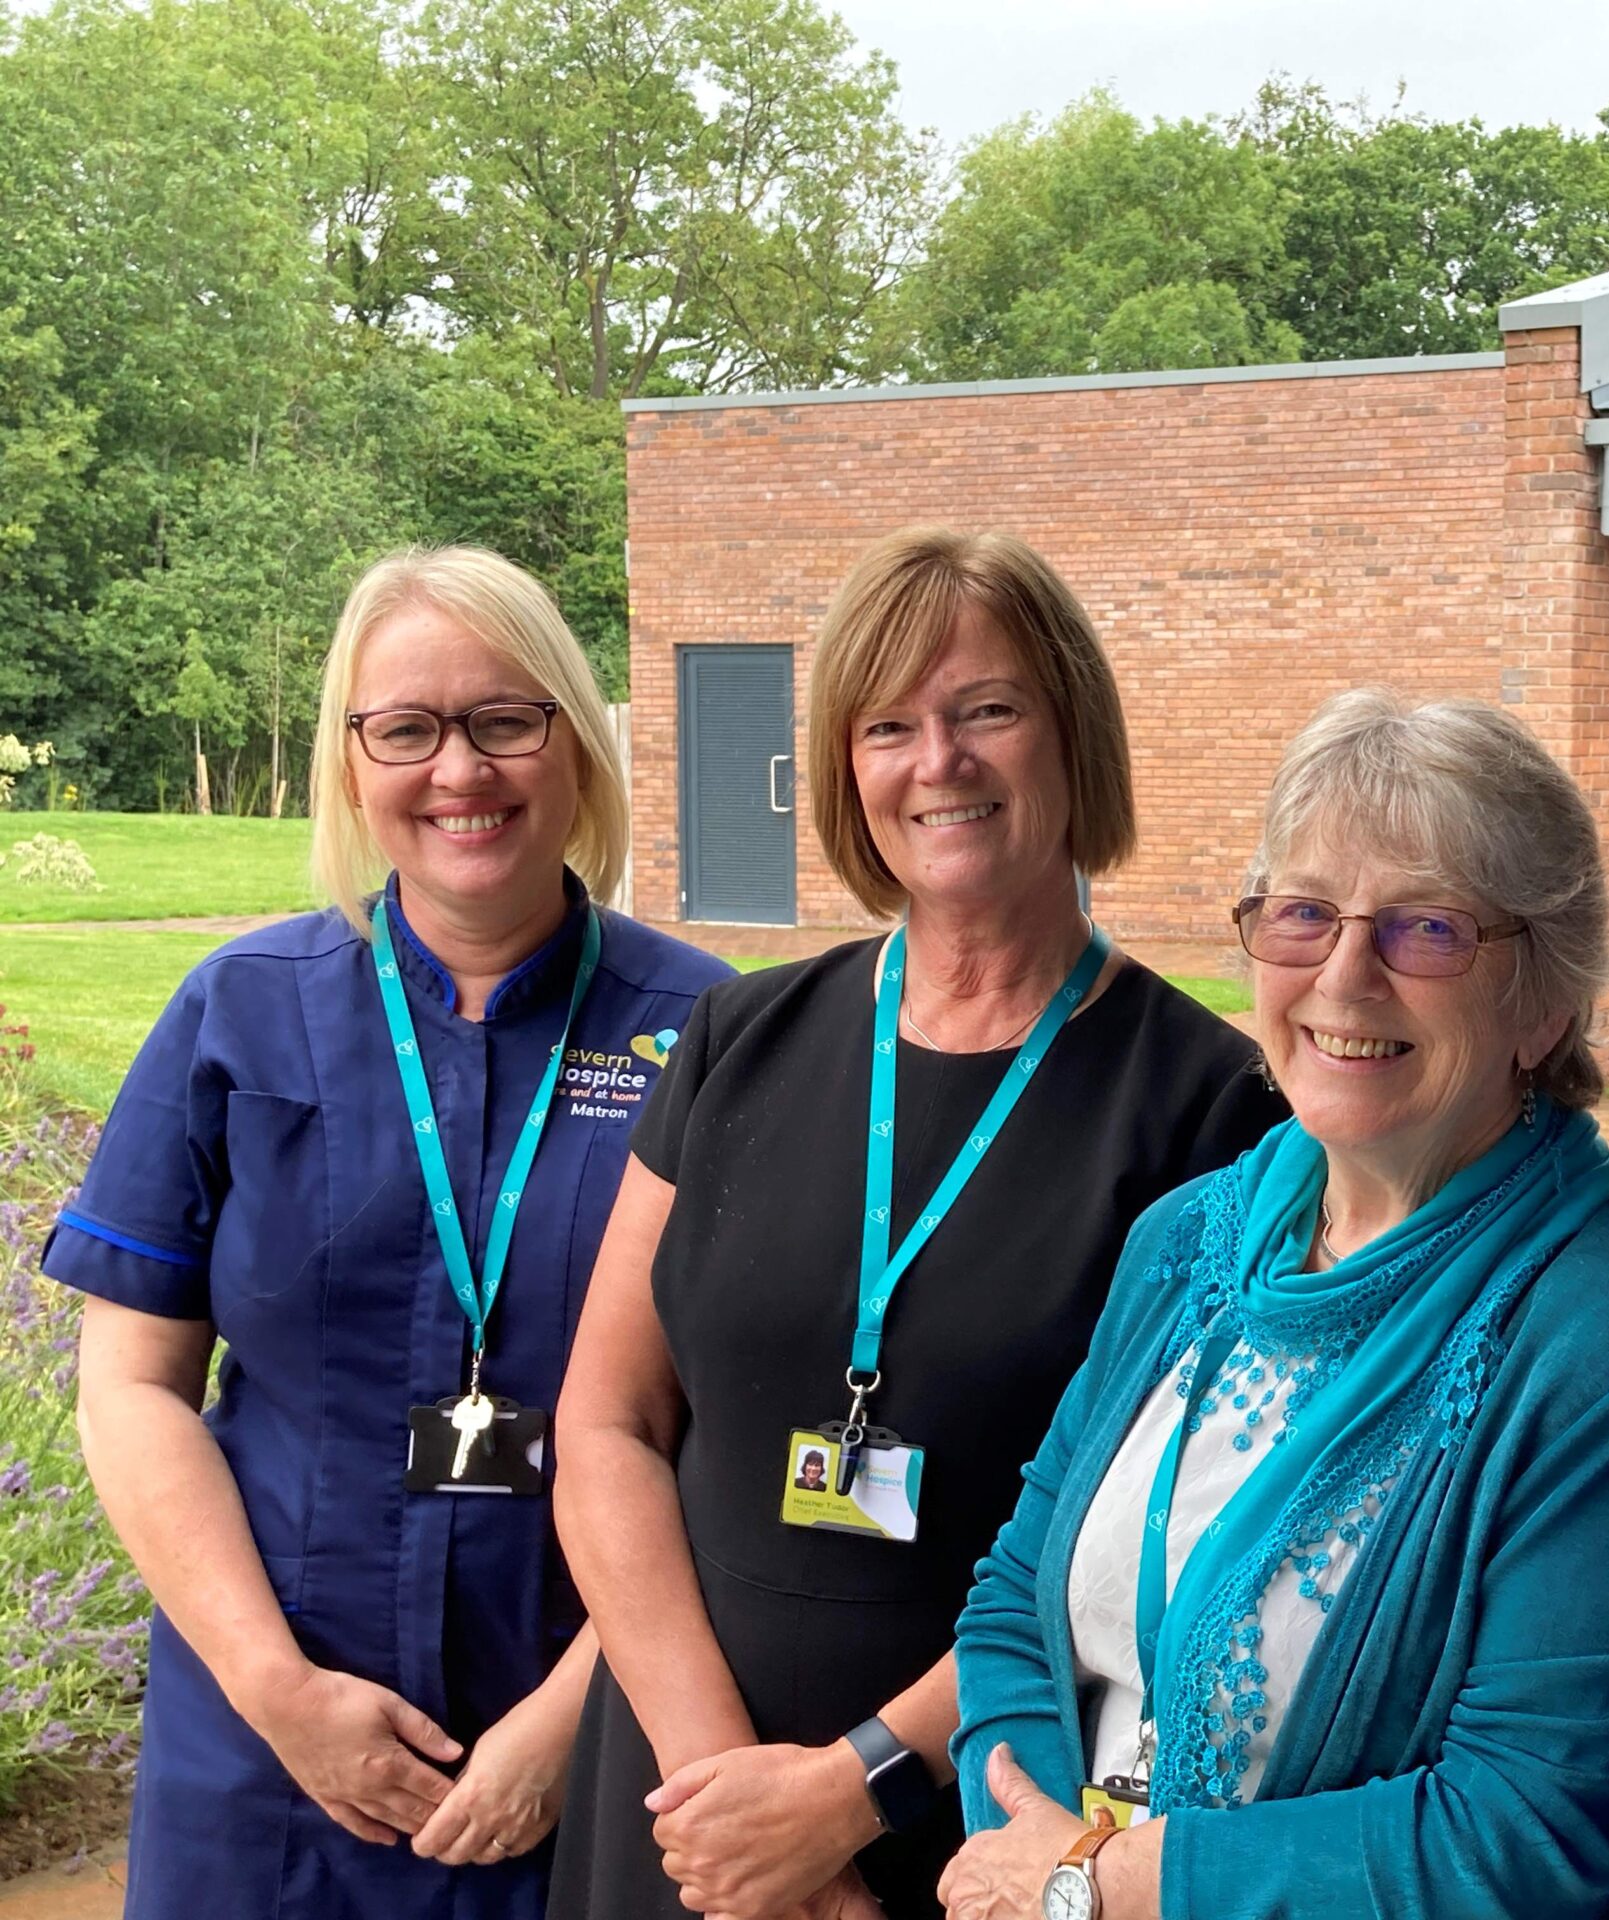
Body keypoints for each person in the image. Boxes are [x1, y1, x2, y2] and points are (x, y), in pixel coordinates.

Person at [547, 529, 1287, 1920]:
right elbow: (605, 1423)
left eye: (987, 711)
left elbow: (1166, 1544)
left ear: (1073, 734)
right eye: (888, 726)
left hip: (973, 1825)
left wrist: (842, 1799)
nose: (936, 762)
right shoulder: (736, 1040)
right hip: (677, 1806)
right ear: (845, 771)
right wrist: (727, 1796)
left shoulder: (1216, 1111)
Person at [939, 690, 1609, 1920]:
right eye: (1304, 914)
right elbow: (1013, 1599)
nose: (1345, 978)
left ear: (1544, 1001)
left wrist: (1103, 1886)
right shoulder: (1186, 1240)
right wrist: (1037, 1850)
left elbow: (1537, 1824)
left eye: (1427, 929)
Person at [50, 547, 731, 1917]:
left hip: (591, 1750)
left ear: (576, 744)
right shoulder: (236, 1017)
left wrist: (575, 1716)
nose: (460, 772)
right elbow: (130, 1388)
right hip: (267, 1761)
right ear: (352, 763)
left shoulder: (709, 1038)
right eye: (407, 729)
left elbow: (734, 1431)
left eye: (504, 720)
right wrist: (274, 1690)